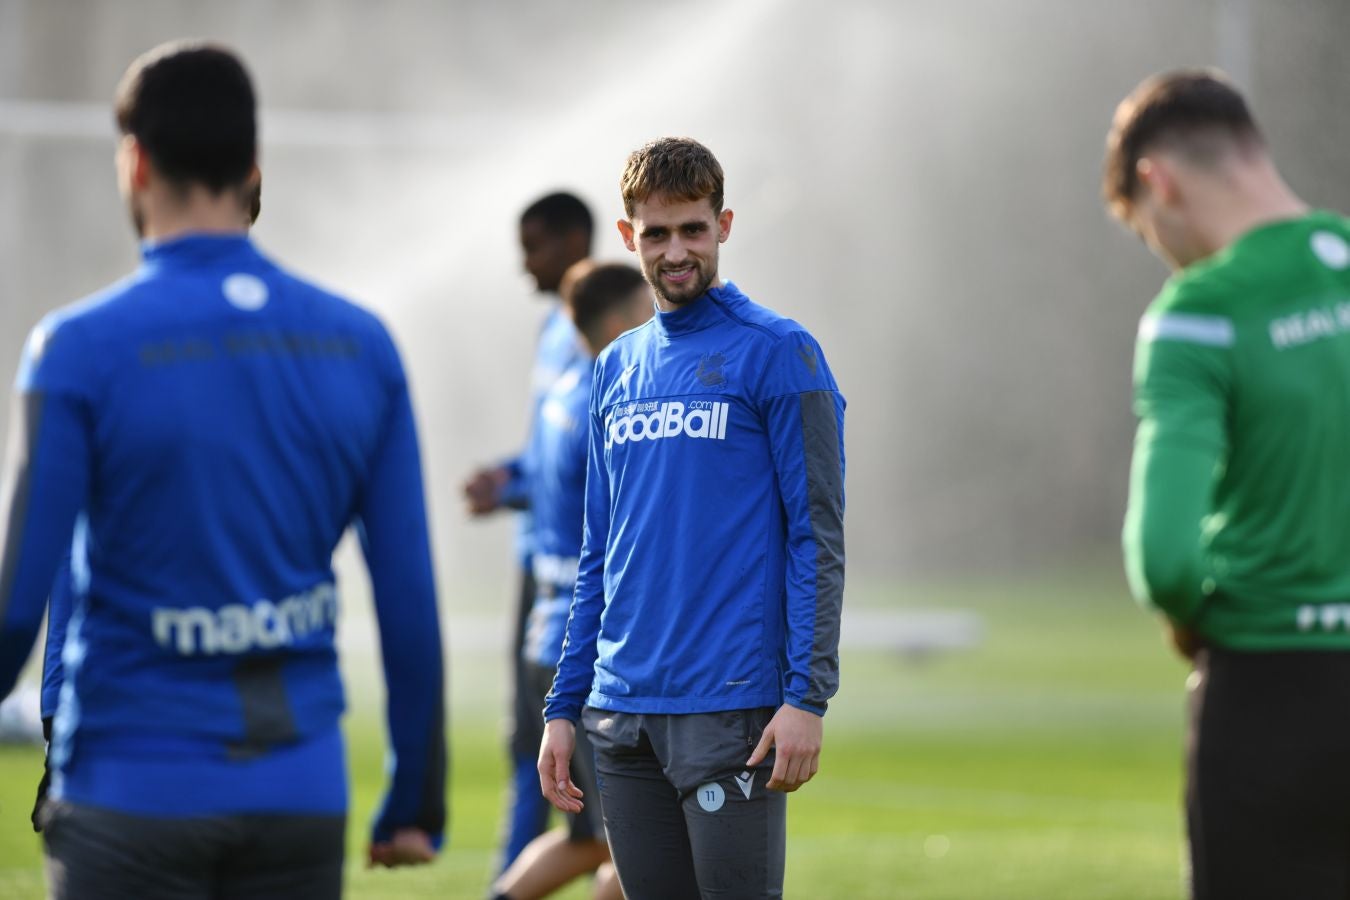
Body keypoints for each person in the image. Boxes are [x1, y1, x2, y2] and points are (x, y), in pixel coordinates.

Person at [0, 41, 445, 898]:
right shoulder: (361, 343)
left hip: (131, 788)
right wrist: (414, 793)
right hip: (300, 791)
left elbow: (20, 601)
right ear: (252, 168)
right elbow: (408, 604)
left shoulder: (77, 347)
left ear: (133, 163)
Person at [538, 137, 846, 899]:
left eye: (693, 230)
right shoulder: (614, 367)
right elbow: (599, 556)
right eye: (657, 233)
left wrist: (807, 697)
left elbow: (818, 535)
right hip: (621, 716)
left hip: (731, 711)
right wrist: (563, 705)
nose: (676, 252)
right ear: (627, 237)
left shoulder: (781, 353)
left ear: (724, 225)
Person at [1105, 69, 1350, 898]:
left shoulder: (1199, 310)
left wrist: (1193, 613)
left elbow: (1166, 560)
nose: (1166, 252)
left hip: (1269, 682)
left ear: (1157, 182)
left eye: (1149, 233)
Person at [492, 262, 650, 900]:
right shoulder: (612, 401)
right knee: (647, 848)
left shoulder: (562, 393)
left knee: (590, 839)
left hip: (547, 637)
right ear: (617, 324)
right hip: (588, 656)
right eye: (647, 307)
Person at [463, 191, 592, 872]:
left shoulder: (600, 333)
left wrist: (518, 484)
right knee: (529, 741)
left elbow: (583, 462)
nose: (524, 267)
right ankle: (510, 872)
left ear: (573, 241)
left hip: (581, 574)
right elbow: (546, 454)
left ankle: (510, 876)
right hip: (539, 564)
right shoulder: (553, 327)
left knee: (589, 778)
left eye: (533, 247)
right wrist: (508, 479)